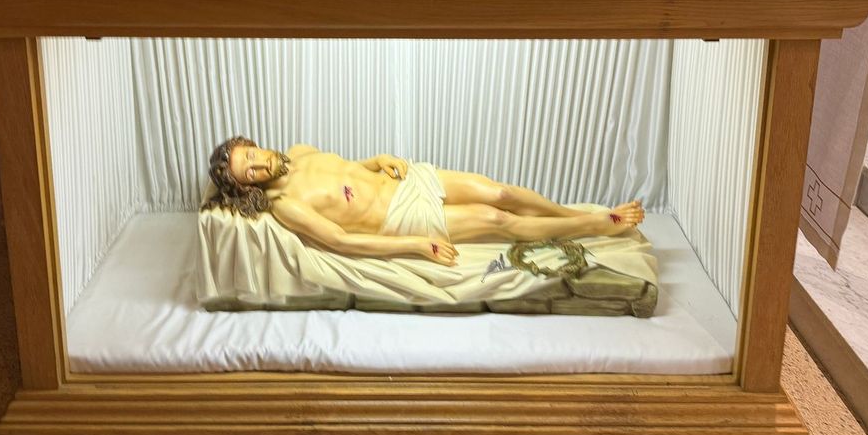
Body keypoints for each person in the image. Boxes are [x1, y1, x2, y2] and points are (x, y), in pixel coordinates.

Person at [203, 135, 645, 267]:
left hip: (407, 180)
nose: (259, 164)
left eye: (252, 155)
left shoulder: (299, 151)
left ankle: (573, 213)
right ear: (248, 188)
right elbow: (342, 241)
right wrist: (416, 245)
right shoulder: (285, 204)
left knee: (502, 192)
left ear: (253, 144)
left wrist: (378, 159)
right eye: (250, 172)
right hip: (401, 215)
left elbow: (348, 170)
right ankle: (594, 224)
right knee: (495, 218)